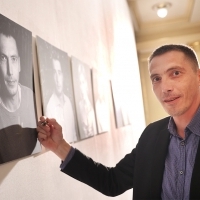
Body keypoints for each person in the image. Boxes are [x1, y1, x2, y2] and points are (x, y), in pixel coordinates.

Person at [37, 44, 200, 199]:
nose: (165, 88)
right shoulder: (152, 135)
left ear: (198, 76)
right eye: (156, 78)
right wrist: (59, 146)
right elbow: (112, 181)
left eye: (176, 73)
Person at [0, 16, 40, 164]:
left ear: (20, 64)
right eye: (3, 59)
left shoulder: (30, 96)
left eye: (14, 59)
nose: (10, 71)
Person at [46, 57, 77, 143]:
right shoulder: (50, 107)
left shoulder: (68, 102)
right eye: (54, 73)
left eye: (59, 73)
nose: (57, 79)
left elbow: (74, 135)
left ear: (63, 76)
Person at [76, 64, 97, 139]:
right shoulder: (79, 106)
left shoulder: (91, 107)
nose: (81, 87)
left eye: (83, 82)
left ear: (86, 85)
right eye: (80, 83)